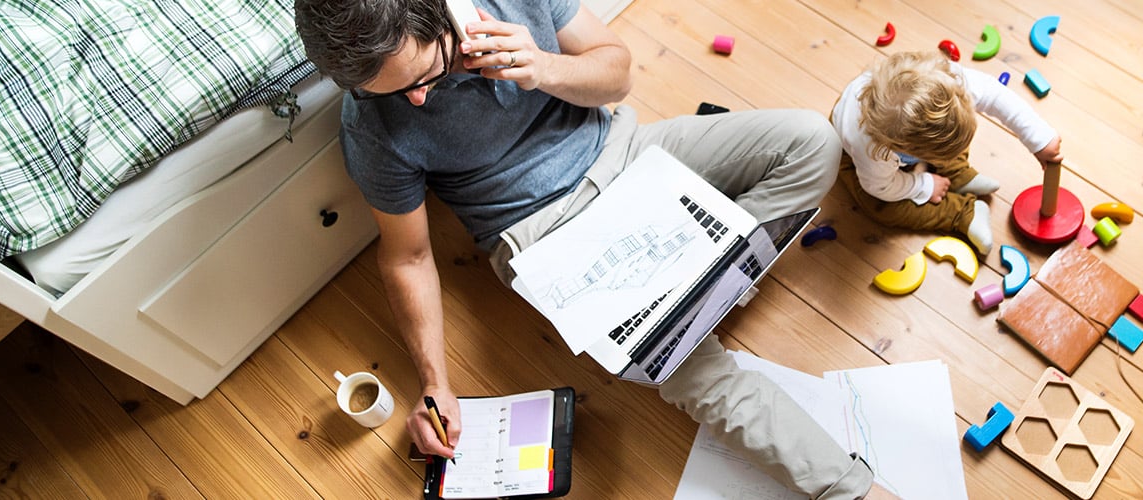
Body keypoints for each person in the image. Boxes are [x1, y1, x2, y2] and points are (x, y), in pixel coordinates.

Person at [294, 0, 896, 497]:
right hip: (547, 239)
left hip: (630, 154)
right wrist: (434, 382)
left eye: (424, 76)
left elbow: (617, 69)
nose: (417, 100)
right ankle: (847, 487)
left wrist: (541, 68)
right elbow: (407, 257)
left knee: (812, 141)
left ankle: (707, 283)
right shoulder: (370, 124)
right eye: (391, 93)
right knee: (686, 366)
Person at [830, 51, 1064, 254]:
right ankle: (960, 214)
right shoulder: (872, 153)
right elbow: (881, 188)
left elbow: (995, 94)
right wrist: (923, 185)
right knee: (877, 206)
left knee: (952, 133)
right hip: (858, 158)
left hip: (908, 139)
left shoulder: (949, 81)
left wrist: (1039, 138)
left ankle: (957, 172)